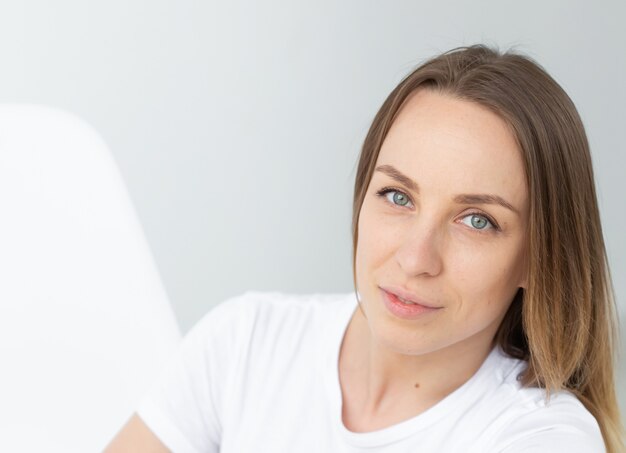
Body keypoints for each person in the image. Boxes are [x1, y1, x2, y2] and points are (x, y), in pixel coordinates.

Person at [105, 45, 624, 452]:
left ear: (539, 257)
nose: (416, 258)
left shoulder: (540, 440)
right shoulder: (245, 345)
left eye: (477, 221)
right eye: (397, 196)